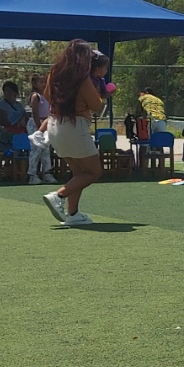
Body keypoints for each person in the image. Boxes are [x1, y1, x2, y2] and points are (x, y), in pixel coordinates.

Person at [41, 40, 106, 227]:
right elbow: (96, 105)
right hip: (75, 127)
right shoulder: (82, 78)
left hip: (54, 126)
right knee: (94, 172)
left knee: (79, 172)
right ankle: (58, 195)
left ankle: (73, 214)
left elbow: (47, 96)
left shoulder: (55, 72)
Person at [26, 74, 53, 185]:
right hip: (36, 124)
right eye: (41, 82)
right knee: (36, 149)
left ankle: (47, 173)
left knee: (45, 149)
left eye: (45, 82)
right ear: (35, 84)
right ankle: (32, 175)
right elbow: (35, 114)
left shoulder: (47, 95)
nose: (44, 84)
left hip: (46, 123)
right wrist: (40, 129)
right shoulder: (35, 96)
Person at [0, 81, 28, 149]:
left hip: (19, 131)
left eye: (9, 91)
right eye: (5, 91)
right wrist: (15, 124)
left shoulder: (19, 105)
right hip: (5, 133)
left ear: (15, 93)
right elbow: (2, 121)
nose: (7, 93)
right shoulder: (0, 105)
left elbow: (25, 118)